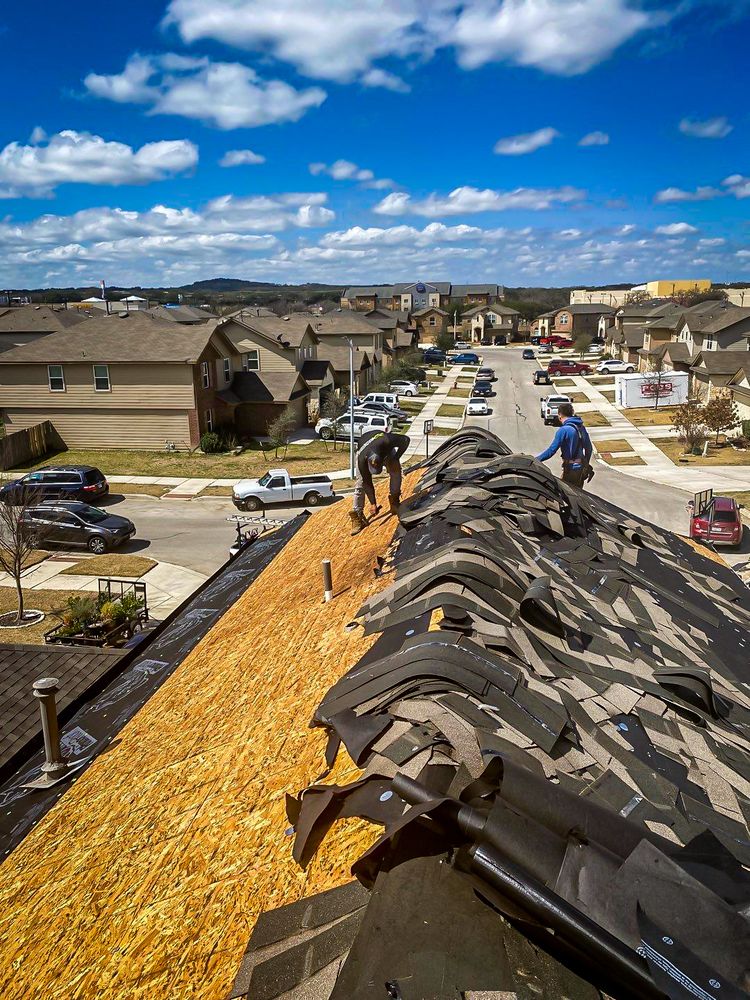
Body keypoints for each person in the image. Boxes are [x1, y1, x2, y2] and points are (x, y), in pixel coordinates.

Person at [350, 429, 410, 535]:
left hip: (385, 449)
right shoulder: (362, 460)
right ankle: (357, 515)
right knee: (360, 483)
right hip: (364, 448)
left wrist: (396, 458)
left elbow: (406, 440)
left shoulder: (387, 440)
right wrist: (373, 503)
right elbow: (367, 483)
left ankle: (394, 501)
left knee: (396, 469)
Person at [535, 402, 593, 488]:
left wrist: (536, 460)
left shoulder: (563, 430)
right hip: (580, 470)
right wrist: (585, 465)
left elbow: (551, 450)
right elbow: (589, 448)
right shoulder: (581, 427)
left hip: (571, 470)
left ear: (559, 415)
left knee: (566, 496)